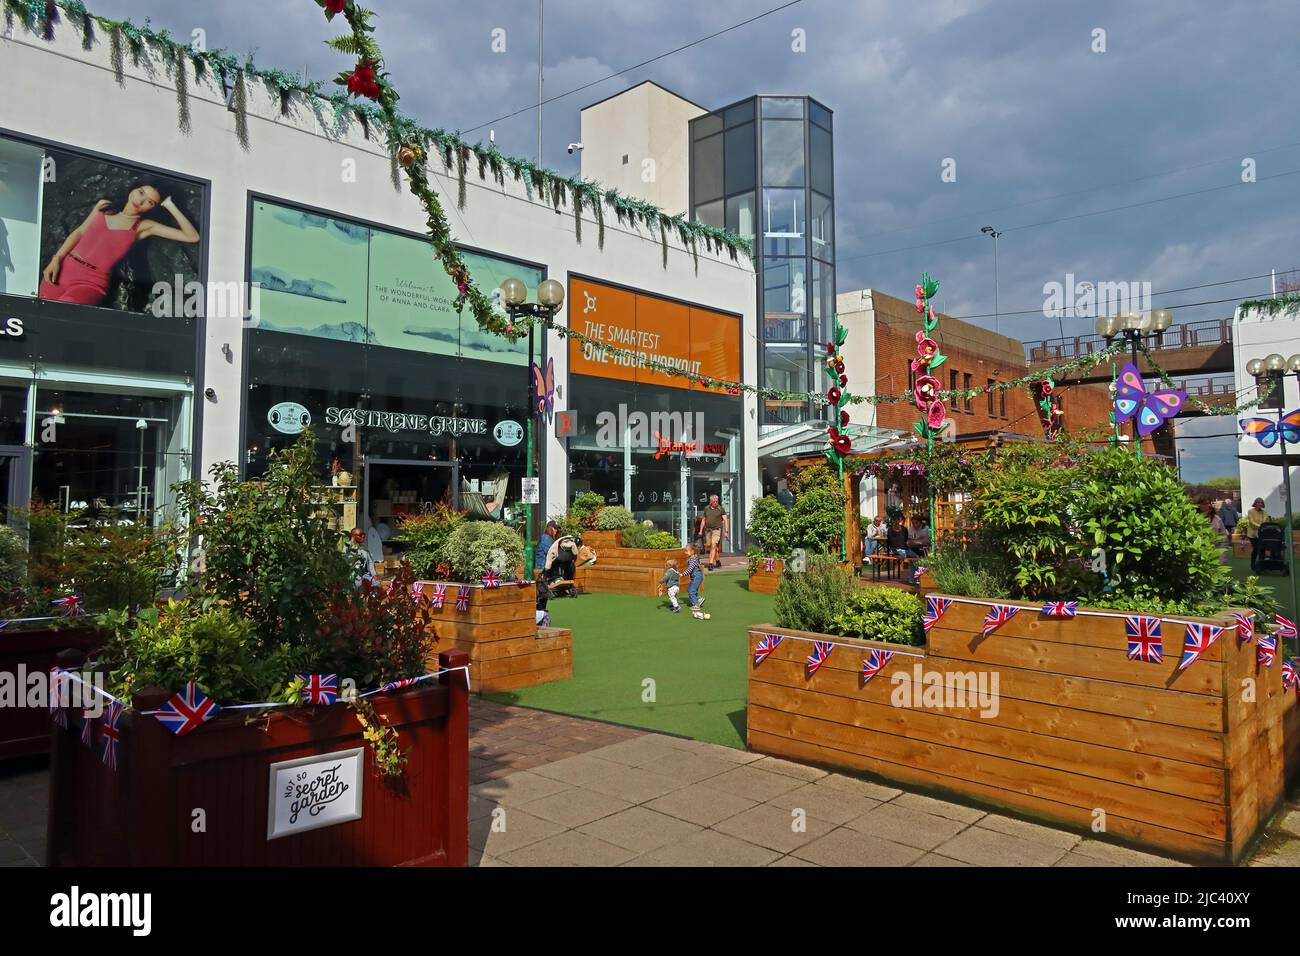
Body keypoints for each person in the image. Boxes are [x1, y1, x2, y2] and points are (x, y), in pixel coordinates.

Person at [39, 185, 201, 306]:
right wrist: (56, 259)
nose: (141, 200)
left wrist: (169, 205)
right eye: (141, 192)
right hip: (63, 270)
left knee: (63, 315)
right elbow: (80, 232)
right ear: (133, 189)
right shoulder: (104, 206)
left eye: (149, 202)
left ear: (152, 208)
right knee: (39, 315)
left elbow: (192, 236)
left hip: (91, 283)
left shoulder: (143, 226)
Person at [697, 494, 729, 570]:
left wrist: (726, 531)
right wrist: (700, 531)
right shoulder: (706, 509)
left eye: (716, 501)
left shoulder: (720, 509)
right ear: (710, 501)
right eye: (714, 501)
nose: (715, 502)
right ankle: (717, 561)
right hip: (708, 530)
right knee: (710, 546)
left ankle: (710, 564)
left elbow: (725, 520)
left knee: (713, 546)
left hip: (717, 530)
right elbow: (703, 520)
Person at [1247, 497, 1272, 568]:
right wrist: (1260, 526)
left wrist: (1265, 524)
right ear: (1255, 503)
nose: (1260, 504)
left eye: (1261, 503)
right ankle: (1253, 564)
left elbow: (1266, 520)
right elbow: (1251, 522)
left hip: (1262, 533)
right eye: (1258, 502)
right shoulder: (1250, 511)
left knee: (1262, 548)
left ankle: (1261, 564)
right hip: (1252, 534)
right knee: (1256, 548)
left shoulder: (1264, 512)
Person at [684, 544, 705, 612]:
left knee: (692, 591)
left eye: (687, 551)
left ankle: (696, 605)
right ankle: (699, 599)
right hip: (695, 577)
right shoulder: (694, 558)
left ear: (692, 551)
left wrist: (683, 574)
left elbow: (690, 569)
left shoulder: (693, 559)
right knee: (689, 589)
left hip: (697, 577)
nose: (685, 552)